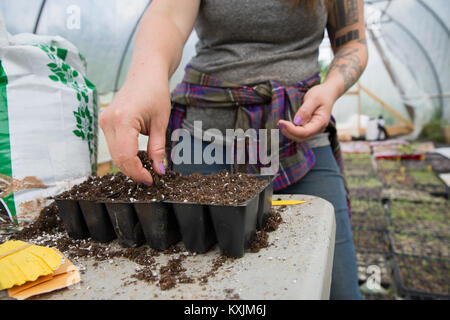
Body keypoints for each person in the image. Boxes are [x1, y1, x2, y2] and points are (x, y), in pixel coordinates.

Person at [99, 0, 368, 299]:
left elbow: (353, 43)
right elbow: (168, 16)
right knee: (196, 283)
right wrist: (146, 78)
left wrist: (330, 87)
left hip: (298, 139)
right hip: (202, 140)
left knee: (335, 284)